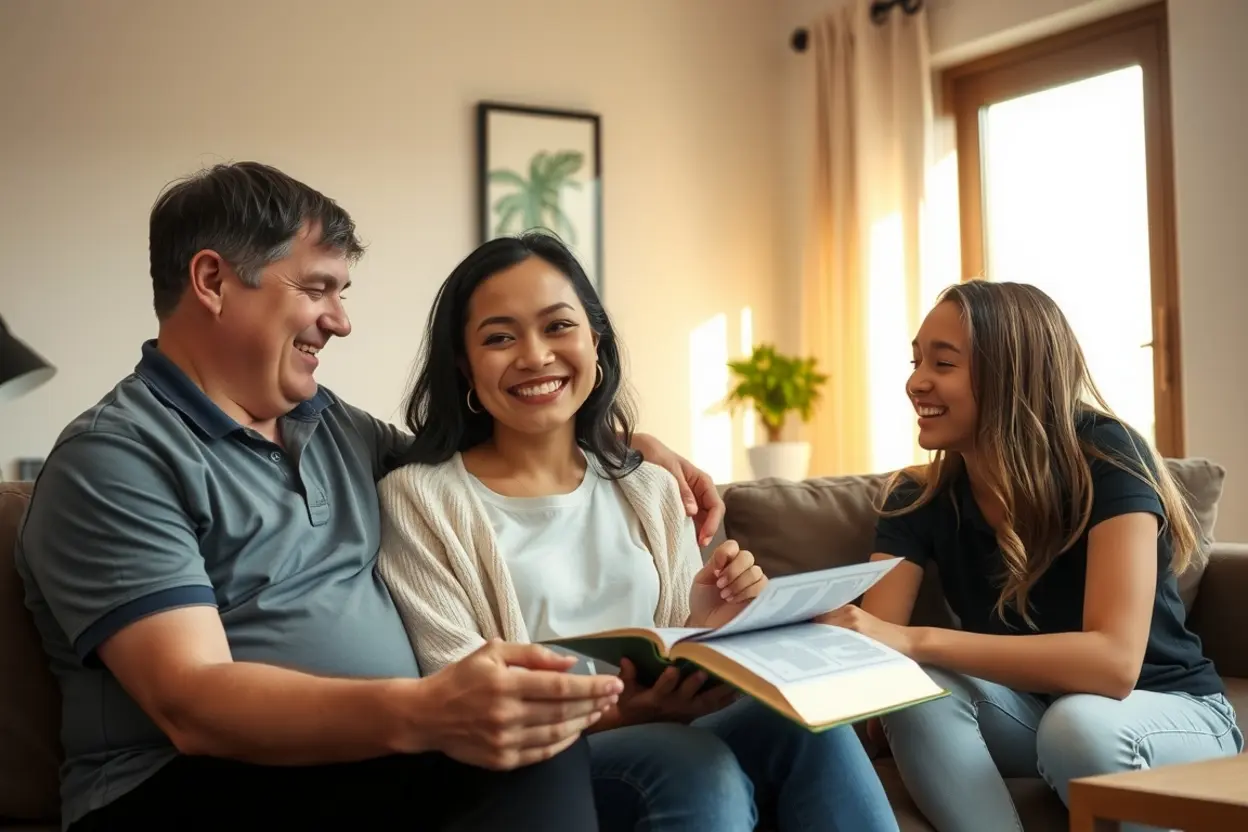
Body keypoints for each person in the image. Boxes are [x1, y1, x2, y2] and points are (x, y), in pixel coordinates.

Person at [13, 161, 727, 831]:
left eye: (341, 293)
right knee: (526, 760)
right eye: (316, 288)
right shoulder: (115, 458)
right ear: (212, 280)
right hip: (183, 787)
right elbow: (191, 703)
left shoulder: (333, 428)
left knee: (678, 747)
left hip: (368, 764)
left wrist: (625, 447)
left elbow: (495, 452)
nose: (340, 320)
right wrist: (429, 711)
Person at [373, 230, 900, 832]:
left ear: (594, 342)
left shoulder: (648, 485)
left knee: (813, 727)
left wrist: (710, 618)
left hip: (671, 730)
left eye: (558, 326)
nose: (535, 355)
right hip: (541, 766)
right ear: (464, 365)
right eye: (500, 337)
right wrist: (625, 714)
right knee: (692, 761)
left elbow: (673, 644)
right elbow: (461, 692)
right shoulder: (420, 498)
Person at [816, 280, 1244, 832]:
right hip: (1033, 712)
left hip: (1167, 710)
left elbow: (1114, 664)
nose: (916, 381)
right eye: (916, 361)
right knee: (914, 694)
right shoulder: (918, 498)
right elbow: (874, 655)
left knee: (1076, 725)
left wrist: (914, 641)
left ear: (1010, 374)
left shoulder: (1109, 456)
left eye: (943, 363)